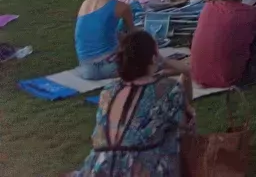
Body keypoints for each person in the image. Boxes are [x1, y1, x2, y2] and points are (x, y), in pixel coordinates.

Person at [72, 31, 192, 177]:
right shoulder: (168, 90)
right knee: (178, 132)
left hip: (98, 168)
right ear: (154, 59)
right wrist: (178, 67)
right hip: (141, 169)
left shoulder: (108, 91)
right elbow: (188, 126)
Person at [74, 0, 139, 80]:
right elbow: (133, 34)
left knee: (115, 33)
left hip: (86, 69)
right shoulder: (121, 7)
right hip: (111, 67)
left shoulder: (86, 4)